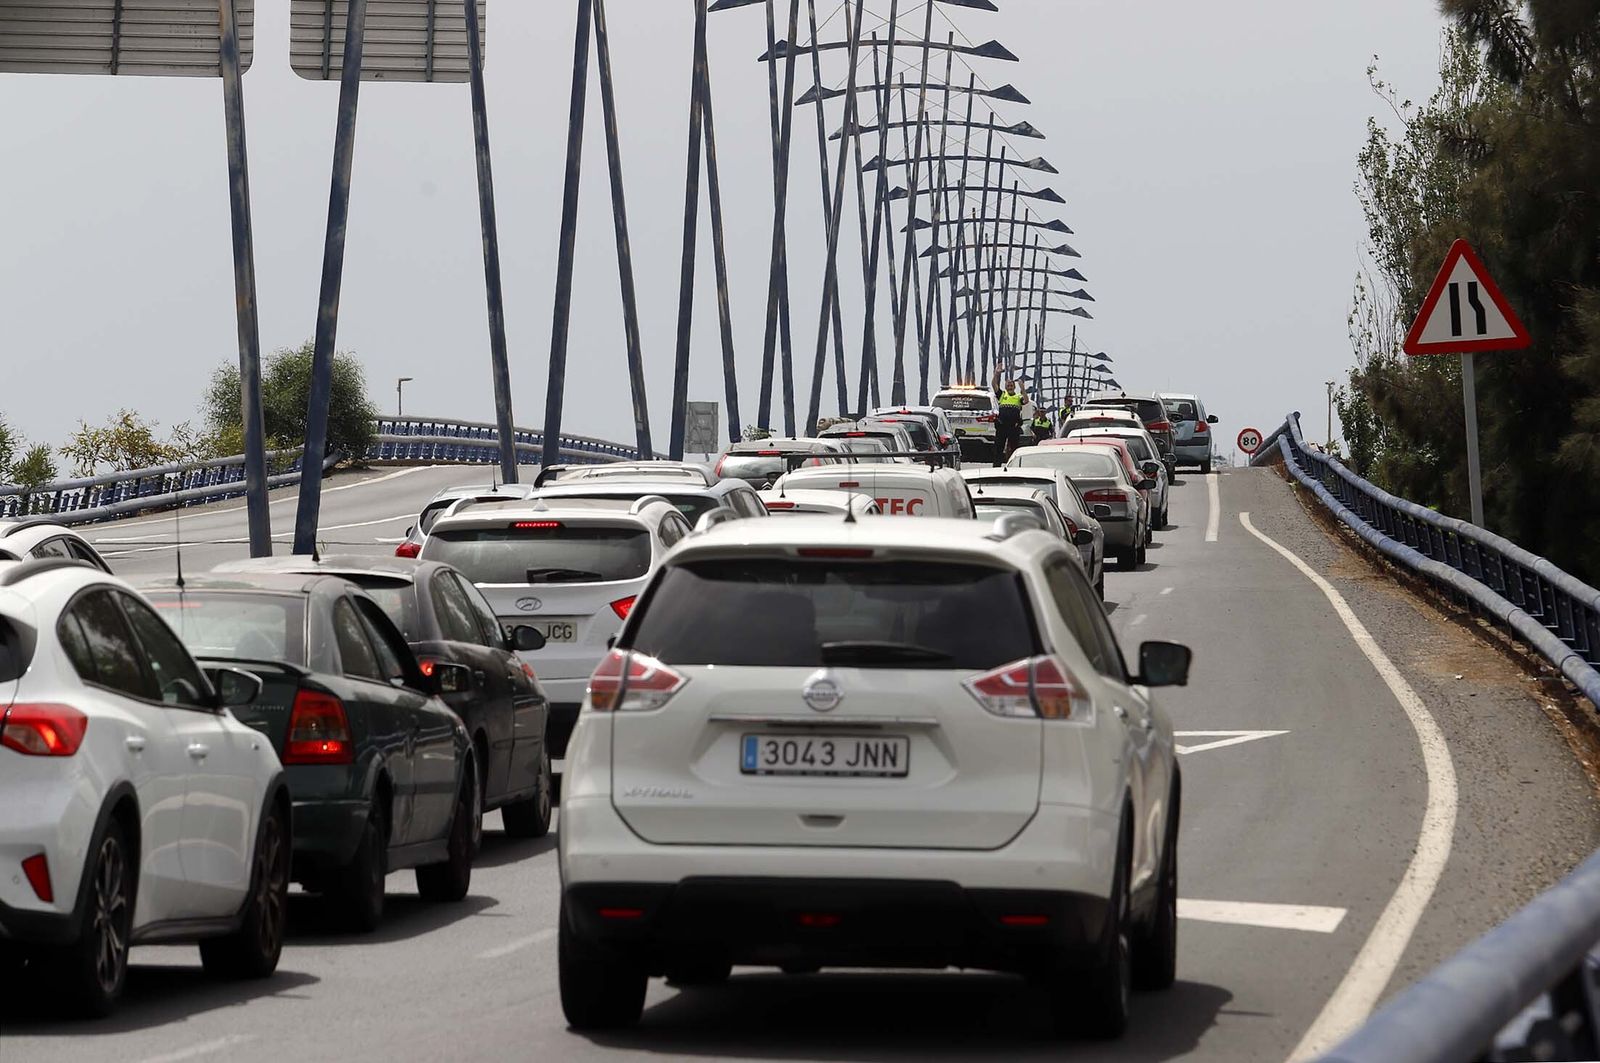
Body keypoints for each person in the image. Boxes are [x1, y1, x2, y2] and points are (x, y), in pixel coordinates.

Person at [991, 370, 1029, 465]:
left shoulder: (1018, 397)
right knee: (998, 448)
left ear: (1014, 387)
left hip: (1013, 427)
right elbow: (994, 384)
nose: (1010, 386)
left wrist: (1023, 388)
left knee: (1014, 448)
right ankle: (996, 466)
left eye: (1011, 385)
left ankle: (1013, 466)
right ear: (1005, 387)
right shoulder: (1002, 395)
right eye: (1008, 385)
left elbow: (1026, 401)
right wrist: (996, 373)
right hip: (1002, 426)